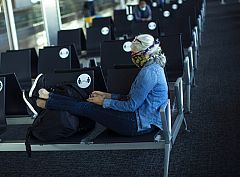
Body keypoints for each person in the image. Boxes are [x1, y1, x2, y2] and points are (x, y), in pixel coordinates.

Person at [27, 34, 168, 137]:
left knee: (87, 107)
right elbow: (132, 98)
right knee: (87, 102)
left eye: (134, 52)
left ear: (145, 54)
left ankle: (46, 102)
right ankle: (49, 98)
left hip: (137, 124)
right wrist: (108, 96)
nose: (131, 55)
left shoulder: (149, 73)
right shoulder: (152, 68)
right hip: (141, 119)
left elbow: (131, 105)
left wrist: (104, 102)